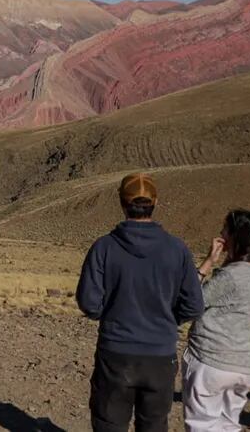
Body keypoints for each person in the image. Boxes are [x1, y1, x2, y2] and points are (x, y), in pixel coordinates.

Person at [77, 173, 204, 432]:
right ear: (154, 204)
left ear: (122, 204)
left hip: (115, 354)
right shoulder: (177, 249)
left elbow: (89, 303)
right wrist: (167, 320)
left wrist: (112, 313)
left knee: (108, 423)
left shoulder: (103, 248)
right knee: (154, 425)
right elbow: (194, 305)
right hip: (160, 356)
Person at [182, 210, 250, 432]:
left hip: (212, 360)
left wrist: (208, 262)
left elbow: (191, 301)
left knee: (201, 425)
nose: (220, 233)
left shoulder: (231, 276)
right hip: (245, 365)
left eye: (224, 229)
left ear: (233, 237)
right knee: (228, 425)